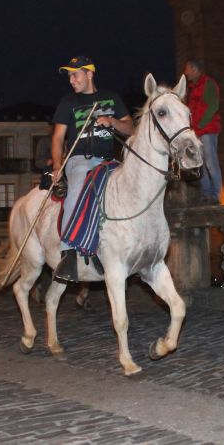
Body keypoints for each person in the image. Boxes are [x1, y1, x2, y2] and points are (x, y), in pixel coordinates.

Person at [51, 56, 134, 283]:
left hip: (108, 161)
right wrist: (58, 166)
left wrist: (113, 121)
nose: (71, 80)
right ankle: (68, 255)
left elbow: (130, 129)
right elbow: (58, 138)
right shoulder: (68, 102)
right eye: (69, 75)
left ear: (89, 74)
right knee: (77, 191)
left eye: (75, 74)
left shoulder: (111, 98)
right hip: (80, 160)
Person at [184, 60, 223, 204]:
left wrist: (200, 124)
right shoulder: (193, 87)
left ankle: (216, 194)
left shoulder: (208, 84)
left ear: (195, 69)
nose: (186, 72)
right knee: (200, 163)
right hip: (198, 131)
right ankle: (206, 194)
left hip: (207, 130)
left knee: (210, 162)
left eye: (187, 69)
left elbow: (213, 105)